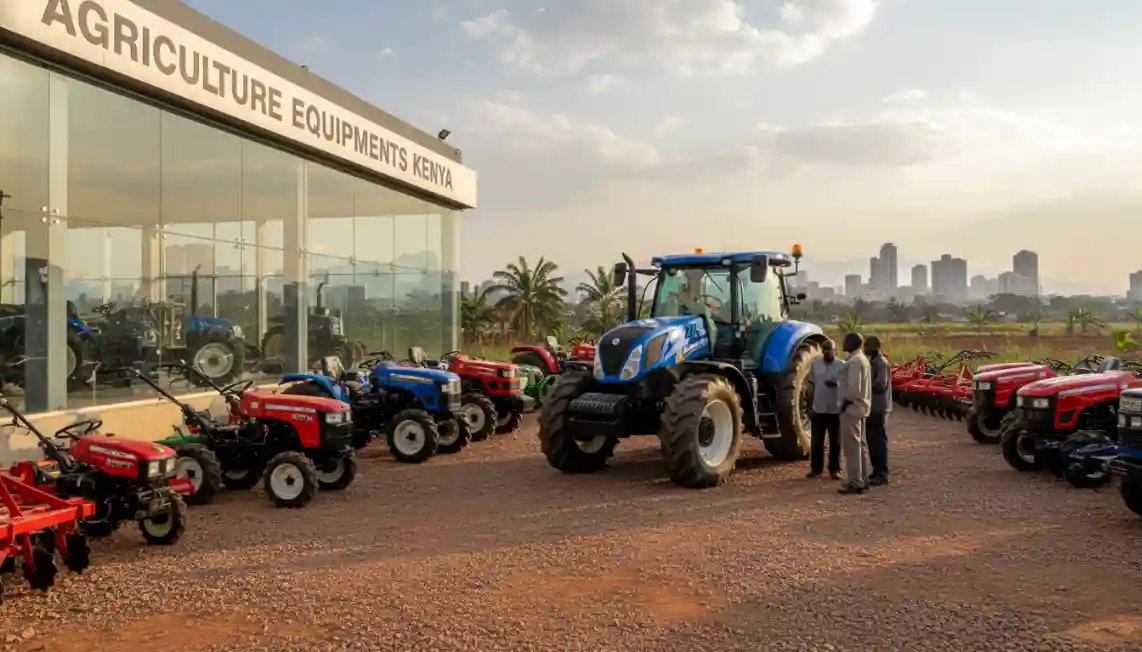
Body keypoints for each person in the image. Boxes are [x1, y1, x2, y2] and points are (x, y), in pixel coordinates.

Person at [837, 332, 872, 495]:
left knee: (851, 447)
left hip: (851, 409)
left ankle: (855, 481)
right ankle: (863, 479)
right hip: (860, 408)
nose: (843, 343)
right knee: (859, 445)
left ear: (852, 343)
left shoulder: (854, 361)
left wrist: (843, 405)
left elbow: (853, 390)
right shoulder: (862, 359)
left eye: (846, 340)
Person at [805, 339, 843, 480]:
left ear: (835, 349)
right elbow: (811, 386)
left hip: (835, 409)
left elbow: (846, 385)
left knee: (835, 442)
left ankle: (835, 470)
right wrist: (809, 406)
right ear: (822, 350)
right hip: (819, 408)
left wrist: (836, 384)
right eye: (825, 348)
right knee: (816, 443)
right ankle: (816, 469)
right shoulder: (815, 364)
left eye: (830, 349)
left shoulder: (842, 365)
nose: (828, 351)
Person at [864, 336, 892, 485]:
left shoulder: (881, 363)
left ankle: (882, 474)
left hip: (879, 407)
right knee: (872, 441)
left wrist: (862, 383)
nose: (864, 348)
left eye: (867, 345)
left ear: (875, 347)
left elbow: (881, 385)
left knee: (878, 442)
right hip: (872, 408)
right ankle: (876, 471)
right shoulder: (872, 362)